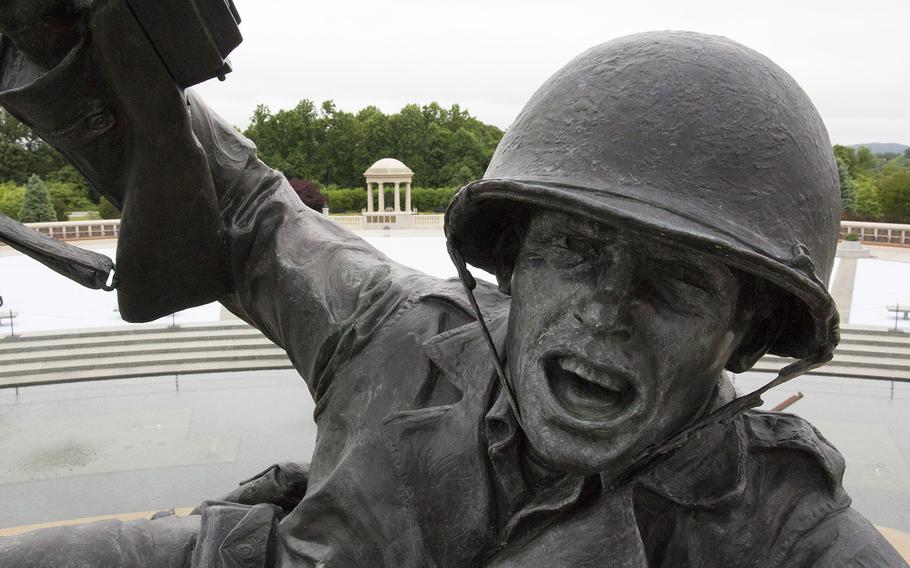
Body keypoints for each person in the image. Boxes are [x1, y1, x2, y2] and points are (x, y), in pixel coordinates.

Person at [0, 2, 906, 567]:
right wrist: (60, 37)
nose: (602, 313)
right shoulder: (396, 333)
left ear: (747, 335)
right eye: (576, 251)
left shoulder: (789, 535)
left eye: (674, 286)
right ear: (511, 261)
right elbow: (241, 208)